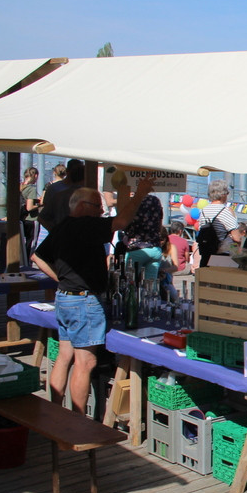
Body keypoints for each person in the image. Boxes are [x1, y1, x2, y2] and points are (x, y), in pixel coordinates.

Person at [32, 176, 154, 411]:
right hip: (84, 301)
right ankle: (78, 421)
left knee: (64, 356)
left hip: (65, 297)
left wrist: (61, 279)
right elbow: (121, 221)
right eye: (97, 206)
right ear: (81, 206)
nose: (101, 211)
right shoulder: (86, 224)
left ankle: (56, 411)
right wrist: (139, 194)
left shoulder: (63, 226)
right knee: (85, 361)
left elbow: (37, 256)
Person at [198, 178, 243, 266]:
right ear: (222, 194)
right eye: (227, 192)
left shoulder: (203, 211)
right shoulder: (225, 211)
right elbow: (236, 237)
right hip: (223, 257)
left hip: (206, 255)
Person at [122, 195, 165, 282]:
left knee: (130, 283)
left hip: (137, 248)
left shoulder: (134, 202)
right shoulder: (155, 200)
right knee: (151, 284)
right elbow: (160, 226)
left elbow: (125, 226)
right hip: (155, 248)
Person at [38, 159, 84, 235]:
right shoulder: (53, 188)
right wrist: (54, 231)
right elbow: (44, 215)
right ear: (68, 171)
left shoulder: (82, 188)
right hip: (60, 230)